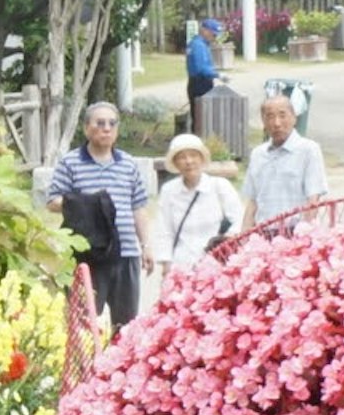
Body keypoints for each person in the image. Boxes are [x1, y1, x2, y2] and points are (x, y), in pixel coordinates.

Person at [43, 100, 152, 331]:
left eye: (112, 123)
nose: (106, 128)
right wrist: (87, 203)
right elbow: (52, 202)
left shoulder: (128, 164)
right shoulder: (71, 162)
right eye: (100, 123)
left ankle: (121, 367)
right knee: (83, 322)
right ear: (86, 128)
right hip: (88, 253)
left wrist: (146, 245)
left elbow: (139, 206)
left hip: (125, 253)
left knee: (127, 325)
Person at [146, 132, 244, 280]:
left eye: (193, 155)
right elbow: (164, 230)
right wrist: (166, 266)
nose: (189, 161)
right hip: (181, 267)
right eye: (182, 157)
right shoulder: (169, 190)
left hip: (216, 267)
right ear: (175, 162)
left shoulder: (219, 186)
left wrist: (226, 241)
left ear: (202, 158)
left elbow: (239, 220)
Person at [246, 89, 328, 229]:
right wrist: (243, 240)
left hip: (295, 232)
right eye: (270, 117)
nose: (276, 123)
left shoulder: (308, 150)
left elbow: (313, 199)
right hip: (262, 234)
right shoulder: (257, 154)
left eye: (282, 115)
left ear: (294, 118)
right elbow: (253, 202)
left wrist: (302, 237)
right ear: (263, 122)